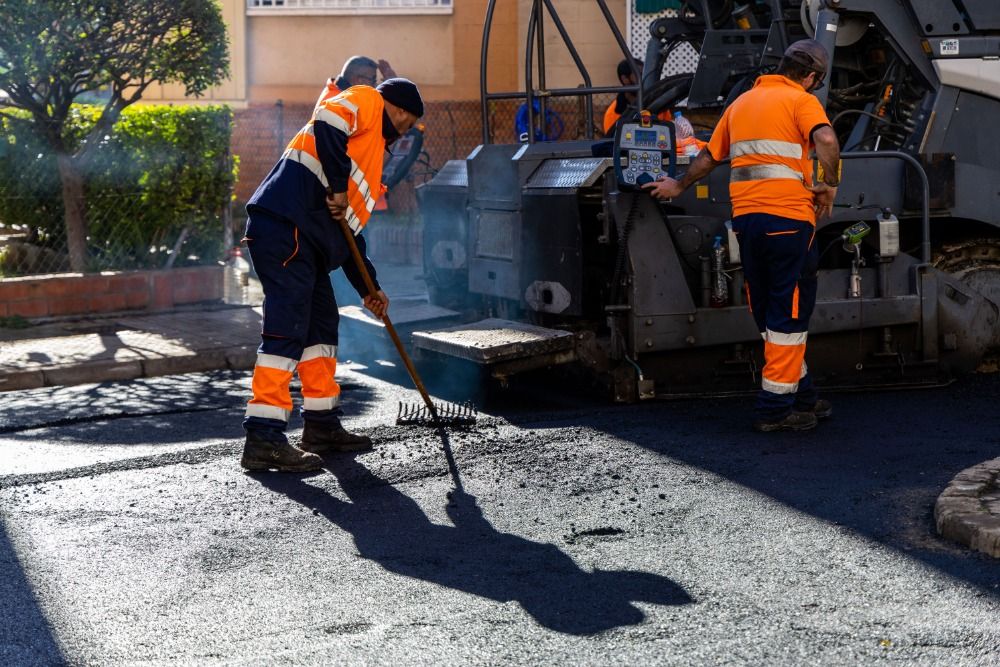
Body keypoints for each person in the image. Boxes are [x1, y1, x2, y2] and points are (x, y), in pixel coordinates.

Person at [642, 39, 840, 433]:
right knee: (790, 315)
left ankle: (802, 393)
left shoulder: (741, 104)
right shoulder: (801, 101)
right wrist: (829, 183)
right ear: (813, 76)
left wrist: (678, 187)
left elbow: (708, 157)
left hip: (748, 223)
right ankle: (774, 410)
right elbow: (828, 141)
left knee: (768, 308)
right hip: (789, 220)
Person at [240, 78, 424, 471]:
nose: (406, 132)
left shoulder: (371, 155)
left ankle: (321, 425)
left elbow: (352, 236)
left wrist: (369, 289)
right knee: (287, 328)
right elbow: (326, 121)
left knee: (321, 327)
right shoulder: (367, 99)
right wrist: (338, 187)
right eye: (409, 123)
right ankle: (263, 437)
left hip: (308, 243)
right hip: (285, 225)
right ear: (404, 113)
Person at [315, 56, 397, 107]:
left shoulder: (337, 91)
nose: (375, 85)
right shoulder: (342, 101)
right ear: (358, 80)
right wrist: (392, 83)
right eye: (372, 80)